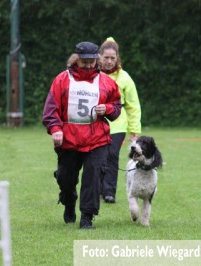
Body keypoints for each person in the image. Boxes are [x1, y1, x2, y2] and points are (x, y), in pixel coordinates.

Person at [42, 41, 121, 229]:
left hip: (97, 139)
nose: (88, 65)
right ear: (75, 59)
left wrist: (108, 108)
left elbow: (117, 108)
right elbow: (50, 110)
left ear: (97, 60)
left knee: (93, 176)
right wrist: (56, 129)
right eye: (84, 61)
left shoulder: (107, 82)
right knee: (65, 177)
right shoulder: (62, 80)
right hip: (68, 139)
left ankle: (87, 217)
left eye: (91, 61)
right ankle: (68, 202)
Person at [98, 37, 141, 204]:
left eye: (112, 58)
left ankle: (109, 192)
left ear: (117, 59)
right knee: (98, 157)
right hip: (96, 122)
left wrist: (134, 130)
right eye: (106, 58)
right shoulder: (92, 74)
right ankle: (98, 187)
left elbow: (133, 105)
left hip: (117, 123)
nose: (109, 61)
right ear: (99, 57)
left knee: (112, 154)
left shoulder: (125, 78)